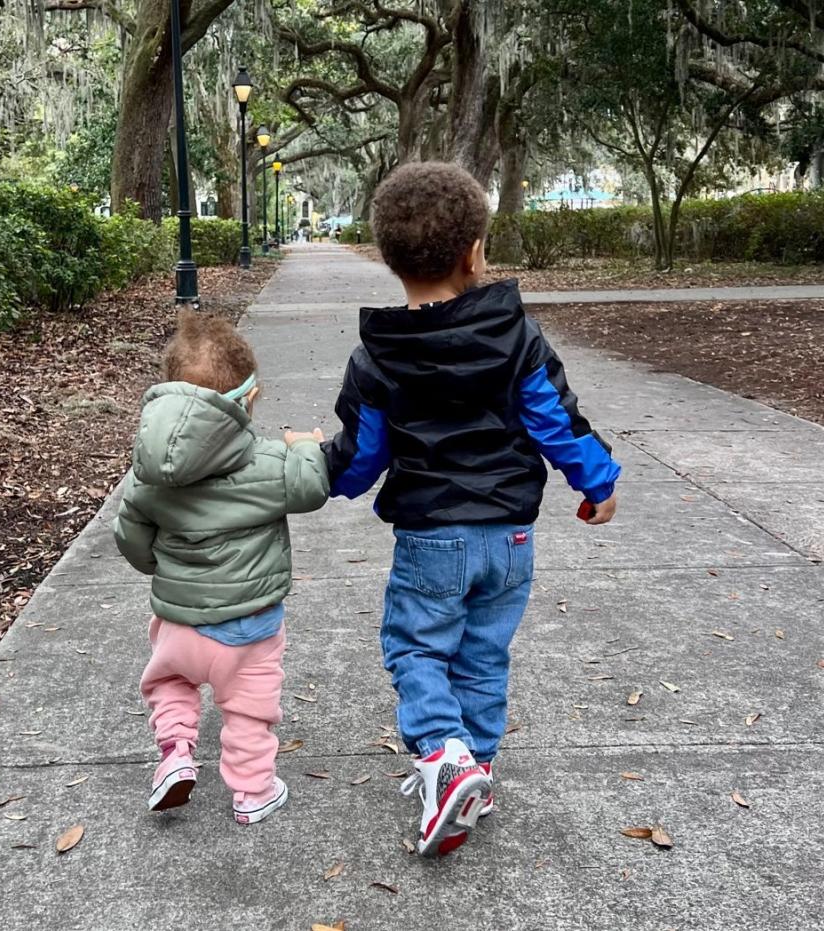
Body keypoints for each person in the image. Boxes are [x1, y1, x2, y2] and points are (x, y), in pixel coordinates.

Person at [322, 161, 621, 857]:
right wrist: (598, 483)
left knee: (417, 647)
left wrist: (319, 473)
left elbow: (363, 456)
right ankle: (473, 772)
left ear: (390, 261)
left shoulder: (380, 354)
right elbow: (557, 422)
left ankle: (442, 753)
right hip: (511, 538)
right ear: (475, 252)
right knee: (483, 655)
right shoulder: (518, 338)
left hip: (433, 539)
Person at [113, 311, 330, 825]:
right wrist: (306, 448)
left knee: (169, 683)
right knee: (248, 709)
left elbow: (132, 539)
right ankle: (253, 793)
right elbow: (309, 489)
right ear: (250, 399)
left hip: (180, 622)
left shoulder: (148, 477)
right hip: (250, 628)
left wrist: (163, 567)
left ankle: (175, 753)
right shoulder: (270, 461)